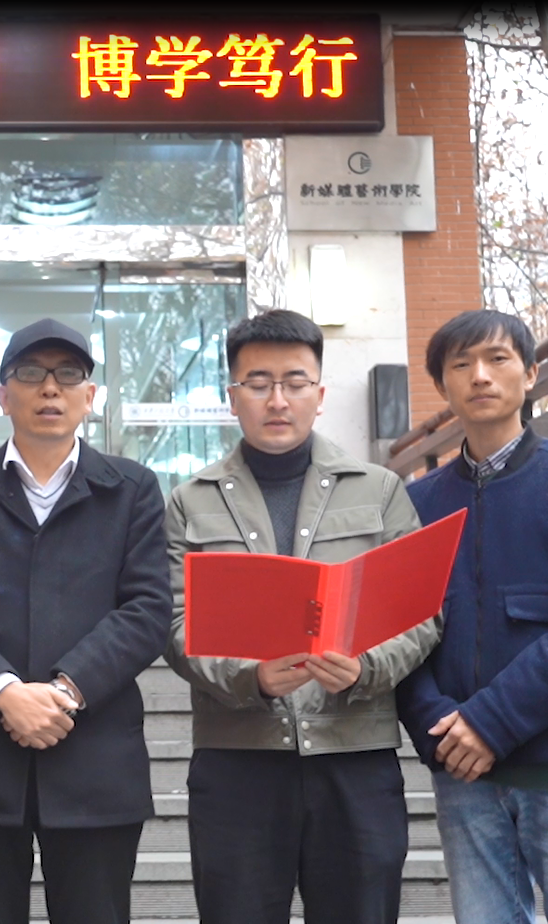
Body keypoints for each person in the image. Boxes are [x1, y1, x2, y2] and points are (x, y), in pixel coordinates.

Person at [160, 309, 435, 924]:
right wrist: (249, 677)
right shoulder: (189, 502)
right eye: (258, 383)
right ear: (232, 396)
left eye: (294, 382)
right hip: (238, 761)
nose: (277, 400)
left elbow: (421, 612)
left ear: (320, 392)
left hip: (354, 755)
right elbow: (174, 623)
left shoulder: (379, 489)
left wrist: (366, 667)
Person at [0, 318, 173, 924]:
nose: (50, 388)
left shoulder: (131, 489)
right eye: (31, 373)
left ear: (90, 396)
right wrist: (6, 693)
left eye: (68, 374)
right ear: (3, 396)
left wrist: (64, 691)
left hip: (95, 760)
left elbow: (146, 608)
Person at [397, 310, 548, 924]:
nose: (480, 376)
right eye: (461, 365)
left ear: (531, 374)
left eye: (498, 359)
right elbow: (398, 632)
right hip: (462, 771)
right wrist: (437, 730)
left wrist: (491, 721)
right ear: (442, 385)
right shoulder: (417, 502)